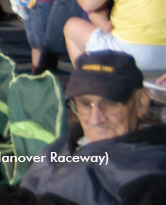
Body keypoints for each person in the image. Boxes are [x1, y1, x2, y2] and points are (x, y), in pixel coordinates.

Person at [21, 51, 166, 204]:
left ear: (141, 102)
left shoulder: (149, 175)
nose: (95, 120)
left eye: (110, 104)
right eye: (85, 104)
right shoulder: (70, 142)